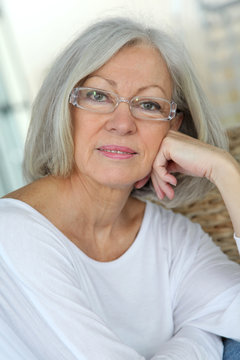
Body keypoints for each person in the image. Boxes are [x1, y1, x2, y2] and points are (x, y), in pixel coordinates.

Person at [0, 17, 240, 360]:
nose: (123, 124)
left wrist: (226, 172)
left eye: (149, 105)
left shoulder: (169, 238)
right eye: (98, 96)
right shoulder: (11, 234)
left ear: (174, 127)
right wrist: (202, 339)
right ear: (64, 110)